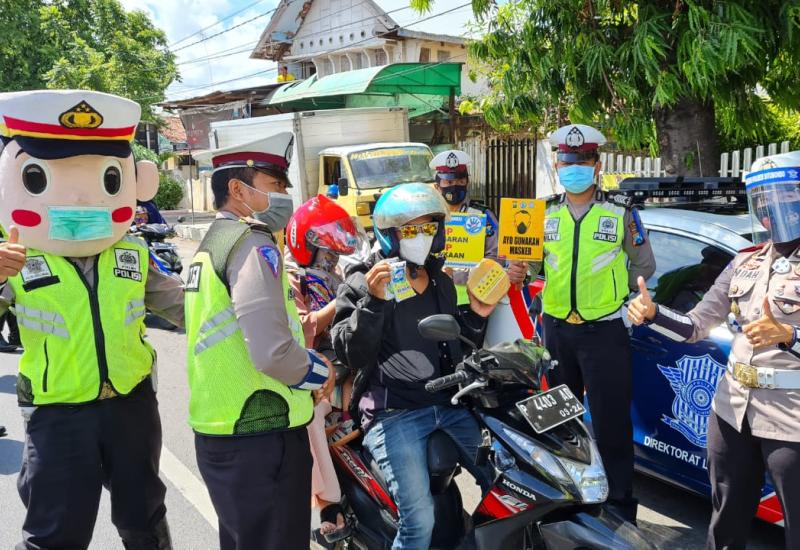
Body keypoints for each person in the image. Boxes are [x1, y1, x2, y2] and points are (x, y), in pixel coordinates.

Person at [0, 89, 184, 549]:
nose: (81, 199)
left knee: (144, 516)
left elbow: (182, 305)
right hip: (57, 411)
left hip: (132, 405)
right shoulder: (15, 259)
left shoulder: (133, 252)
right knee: (55, 532)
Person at [628, 151, 800, 550]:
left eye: (787, 197)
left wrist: (787, 336)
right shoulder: (745, 262)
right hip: (731, 408)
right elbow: (696, 325)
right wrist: (653, 314)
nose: (776, 210)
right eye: (766, 200)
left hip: (791, 415)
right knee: (726, 517)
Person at [187, 133, 335, 550]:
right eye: (276, 186)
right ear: (238, 189)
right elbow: (273, 352)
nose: (285, 196)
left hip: (223, 428)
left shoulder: (211, 242)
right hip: (260, 432)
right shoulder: (251, 242)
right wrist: (321, 371)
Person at [331, 183, 495, 550]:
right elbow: (349, 353)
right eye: (411, 229)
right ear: (389, 235)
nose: (422, 236)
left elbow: (453, 345)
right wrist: (373, 303)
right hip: (394, 414)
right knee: (419, 520)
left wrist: (477, 317)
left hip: (447, 407)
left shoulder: (441, 280)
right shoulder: (362, 281)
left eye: (428, 227)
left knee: (505, 479)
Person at [540, 123, 656, 523]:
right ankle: (565, 499)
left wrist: (617, 305)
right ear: (557, 165)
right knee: (558, 421)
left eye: (582, 161)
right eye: (567, 162)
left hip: (604, 332)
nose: (574, 168)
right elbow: (528, 267)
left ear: (597, 165)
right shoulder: (542, 213)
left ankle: (620, 505)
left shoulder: (620, 212)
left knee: (610, 424)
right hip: (555, 331)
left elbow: (644, 267)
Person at [285, 194, 361, 543]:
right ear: (307, 243)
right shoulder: (291, 276)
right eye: (327, 249)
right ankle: (328, 505)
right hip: (315, 362)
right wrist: (344, 297)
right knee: (315, 415)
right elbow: (304, 327)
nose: (333, 257)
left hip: (350, 351)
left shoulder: (337, 272)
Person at [430, 149, 527, 303]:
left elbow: (497, 256)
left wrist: (459, 274)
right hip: (434, 300)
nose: (455, 186)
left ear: (467, 182)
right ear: (437, 186)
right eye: (449, 182)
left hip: (474, 301)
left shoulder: (482, 215)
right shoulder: (430, 218)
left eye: (460, 181)